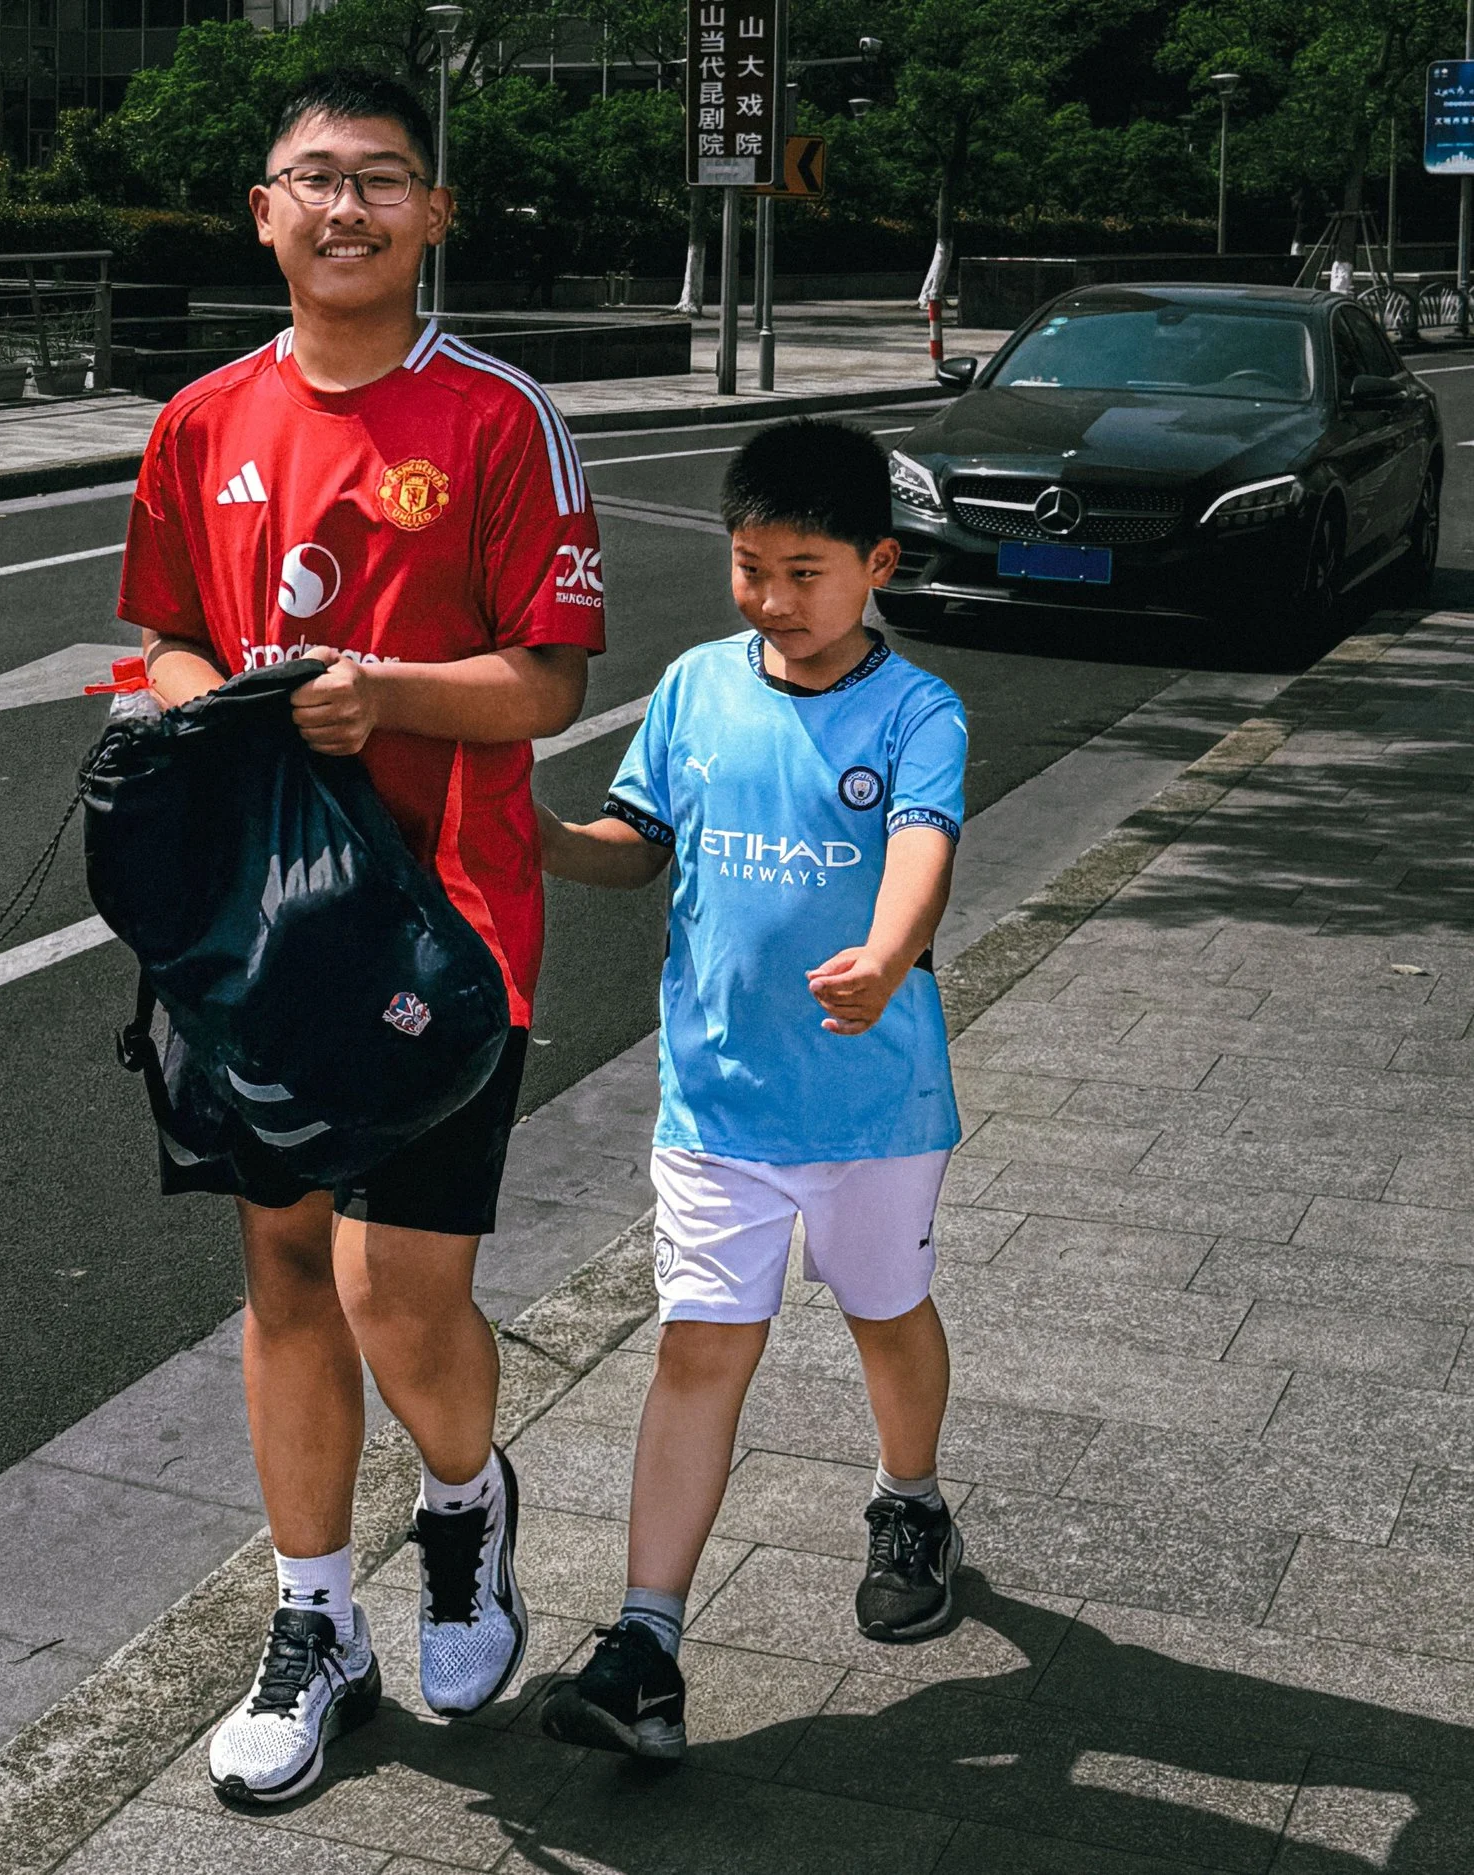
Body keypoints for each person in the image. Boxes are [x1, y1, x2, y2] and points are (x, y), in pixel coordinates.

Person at [114, 69, 607, 1804]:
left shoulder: (497, 418)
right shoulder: (198, 423)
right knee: (279, 1270)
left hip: (445, 926)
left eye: (381, 181)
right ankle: (316, 1617)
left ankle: (464, 1503)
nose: (345, 208)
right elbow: (161, 636)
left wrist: (379, 692)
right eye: (313, 180)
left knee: (402, 1293)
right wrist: (213, 707)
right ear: (263, 212)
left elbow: (548, 676)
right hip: (259, 929)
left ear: (432, 218)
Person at [534, 420, 968, 1761]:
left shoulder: (917, 713)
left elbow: (920, 846)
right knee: (697, 1346)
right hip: (715, 1100)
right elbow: (634, 848)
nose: (773, 598)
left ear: (876, 564)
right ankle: (648, 1641)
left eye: (806, 570)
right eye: (750, 566)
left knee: (886, 1315)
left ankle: (911, 1498)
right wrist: (537, 837)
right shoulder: (696, 689)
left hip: (869, 1104)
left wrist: (887, 957)